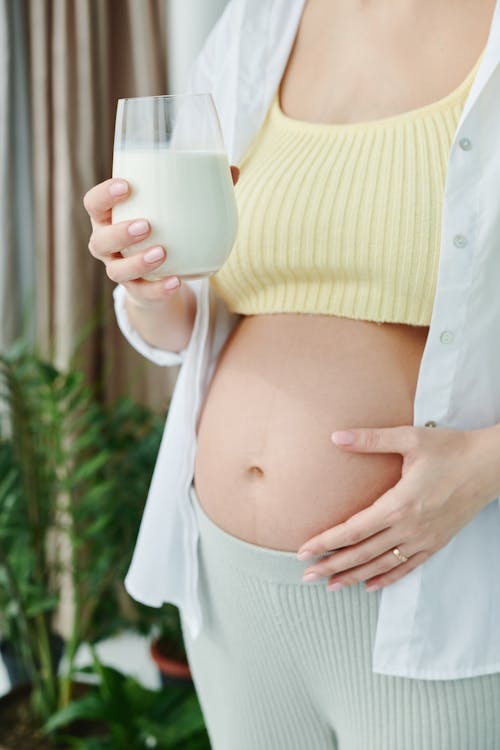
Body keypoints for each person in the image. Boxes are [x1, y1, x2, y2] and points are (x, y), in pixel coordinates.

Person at [84, 0, 500, 747]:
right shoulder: (258, 25)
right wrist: (146, 286)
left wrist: (487, 465)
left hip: (431, 586)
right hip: (234, 596)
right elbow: (191, 320)